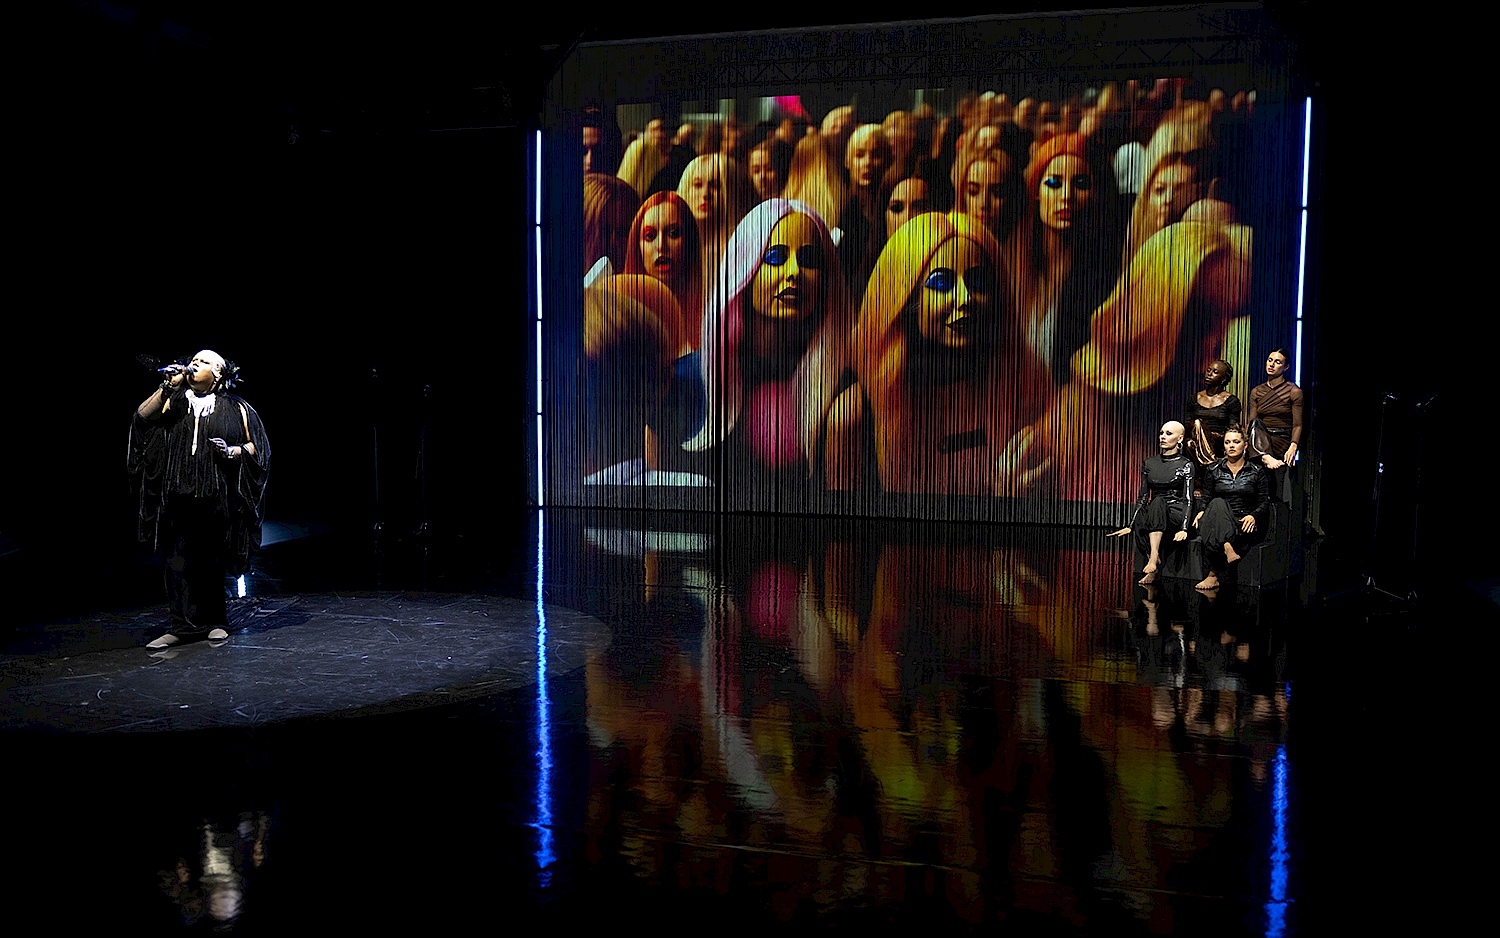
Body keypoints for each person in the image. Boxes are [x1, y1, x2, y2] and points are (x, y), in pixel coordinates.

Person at [823, 211, 1045, 495]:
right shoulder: (854, 416)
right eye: (941, 283)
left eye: (977, 282)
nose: (964, 299)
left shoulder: (1024, 391)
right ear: (906, 297)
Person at [130, 350, 270, 648]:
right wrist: (168, 385)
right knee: (177, 561)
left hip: (215, 494)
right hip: (176, 493)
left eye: (205, 361)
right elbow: (142, 417)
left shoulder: (237, 408)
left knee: (210, 560)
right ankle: (181, 625)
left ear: (219, 374)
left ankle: (215, 621)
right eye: (194, 359)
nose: (195, 364)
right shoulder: (175, 400)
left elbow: (257, 448)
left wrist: (233, 451)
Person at [1109, 421, 1194, 585]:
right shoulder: (1149, 463)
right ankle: (1153, 561)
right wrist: (1131, 524)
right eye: (1161, 432)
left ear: (1180, 438)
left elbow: (1188, 499)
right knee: (1145, 513)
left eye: (1169, 434)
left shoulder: (1186, 465)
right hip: (1157, 512)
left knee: (1157, 502)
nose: (1163, 436)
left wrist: (1184, 527)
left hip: (1175, 513)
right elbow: (1142, 497)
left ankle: (1154, 557)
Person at [1192, 426, 1270, 590]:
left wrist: (1254, 516)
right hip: (1218, 517)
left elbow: (1264, 501)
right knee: (1218, 503)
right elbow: (1207, 499)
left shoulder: (1256, 471)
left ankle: (1213, 575)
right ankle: (1227, 546)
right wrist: (1201, 512)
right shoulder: (1213, 470)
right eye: (1227, 442)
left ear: (1245, 445)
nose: (1231, 446)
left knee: (1212, 526)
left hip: (1242, 521)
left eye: (1236, 442)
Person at [1246, 347, 1303, 500]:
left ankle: (1264, 455)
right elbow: (1253, 423)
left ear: (1286, 367)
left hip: (1281, 438)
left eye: (1278, 362)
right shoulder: (1257, 391)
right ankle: (1264, 456)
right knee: (1255, 423)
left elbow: (1297, 424)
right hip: (1260, 437)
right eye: (1270, 360)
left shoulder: (1293, 391)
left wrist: (1293, 445)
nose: (1271, 364)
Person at [1186, 358, 1241, 466]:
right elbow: (1188, 425)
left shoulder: (1231, 401)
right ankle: (1210, 463)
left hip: (1218, 441)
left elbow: (1233, 428)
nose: (1209, 374)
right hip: (1196, 439)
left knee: (1198, 424)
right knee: (1192, 437)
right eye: (1208, 370)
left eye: (1215, 372)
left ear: (1223, 379)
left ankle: (1208, 464)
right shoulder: (1194, 398)